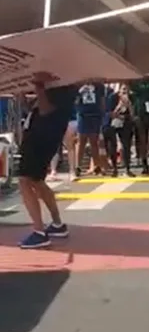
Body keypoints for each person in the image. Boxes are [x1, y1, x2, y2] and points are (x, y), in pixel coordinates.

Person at [18, 75, 77, 248]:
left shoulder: (60, 92)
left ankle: (39, 231)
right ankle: (57, 224)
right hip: (39, 137)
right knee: (37, 181)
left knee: (24, 180)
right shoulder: (57, 89)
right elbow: (37, 110)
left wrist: (39, 88)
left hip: (40, 140)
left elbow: (47, 111)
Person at [75, 82, 106, 177]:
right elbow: (75, 100)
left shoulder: (99, 85)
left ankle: (97, 166)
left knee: (94, 142)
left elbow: (102, 101)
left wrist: (102, 115)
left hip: (95, 115)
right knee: (81, 141)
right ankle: (77, 166)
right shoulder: (79, 85)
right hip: (83, 115)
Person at [103, 84, 135, 177]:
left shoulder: (130, 98)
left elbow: (132, 115)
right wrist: (119, 106)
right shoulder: (113, 98)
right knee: (113, 145)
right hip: (112, 122)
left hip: (125, 122)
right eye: (123, 89)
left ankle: (127, 168)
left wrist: (129, 105)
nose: (125, 91)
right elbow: (110, 113)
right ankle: (114, 168)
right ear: (119, 90)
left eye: (127, 90)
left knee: (126, 145)